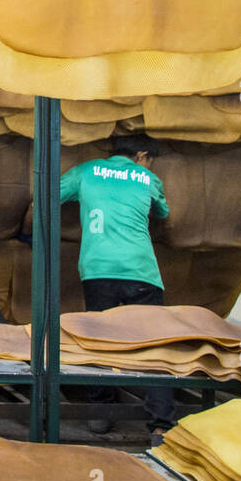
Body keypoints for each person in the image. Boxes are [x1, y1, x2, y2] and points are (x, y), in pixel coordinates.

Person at [59, 133, 174, 441]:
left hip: (98, 271)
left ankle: (101, 414)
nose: (150, 165)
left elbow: (49, 193)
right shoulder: (147, 178)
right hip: (142, 273)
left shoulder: (87, 171)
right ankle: (161, 424)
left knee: (99, 341)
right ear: (140, 155)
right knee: (154, 346)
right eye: (150, 159)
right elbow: (163, 213)